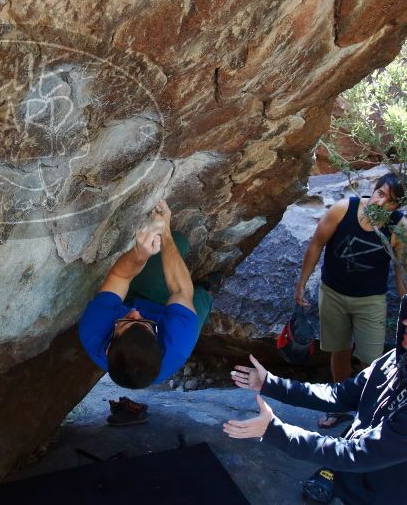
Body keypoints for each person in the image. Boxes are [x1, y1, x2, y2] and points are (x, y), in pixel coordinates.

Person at [223, 295, 407, 504]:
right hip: (351, 476)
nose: (405, 322)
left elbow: (358, 455)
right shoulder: (395, 361)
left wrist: (274, 430)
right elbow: (340, 395)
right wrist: (270, 383)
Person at [78, 199, 213, 414]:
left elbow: (120, 276)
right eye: (145, 323)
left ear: (108, 346)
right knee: (199, 298)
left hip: (142, 298)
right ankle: (207, 288)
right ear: (159, 342)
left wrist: (140, 255)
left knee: (178, 242)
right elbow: (180, 291)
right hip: (173, 319)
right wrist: (165, 231)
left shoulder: (94, 330)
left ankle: (170, 285)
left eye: (126, 322)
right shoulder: (178, 342)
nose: (135, 312)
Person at [294, 172, 406, 428]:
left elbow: (401, 270)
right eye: (380, 194)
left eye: (389, 201)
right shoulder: (343, 210)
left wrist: (406, 307)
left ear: (397, 206)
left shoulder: (399, 227)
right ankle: (340, 406)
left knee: (372, 360)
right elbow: (316, 243)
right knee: (340, 351)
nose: (380, 203)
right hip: (333, 293)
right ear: (372, 189)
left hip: (370, 301)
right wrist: (301, 283)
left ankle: (368, 413)